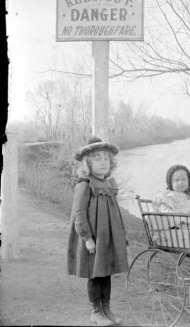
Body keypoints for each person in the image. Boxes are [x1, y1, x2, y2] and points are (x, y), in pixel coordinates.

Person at [66, 137, 128, 326]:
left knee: (106, 272)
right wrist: (87, 237)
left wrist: (121, 236)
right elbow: (78, 213)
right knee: (95, 273)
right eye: (97, 158)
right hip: (93, 238)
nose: (103, 162)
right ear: (87, 163)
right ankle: (96, 312)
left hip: (108, 237)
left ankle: (106, 309)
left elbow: (115, 211)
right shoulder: (85, 184)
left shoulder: (110, 183)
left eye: (106, 159)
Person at [151, 165, 190, 229]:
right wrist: (179, 217)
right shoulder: (169, 196)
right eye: (176, 180)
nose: (181, 182)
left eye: (184, 179)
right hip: (179, 222)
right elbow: (165, 210)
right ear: (170, 183)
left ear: (189, 180)